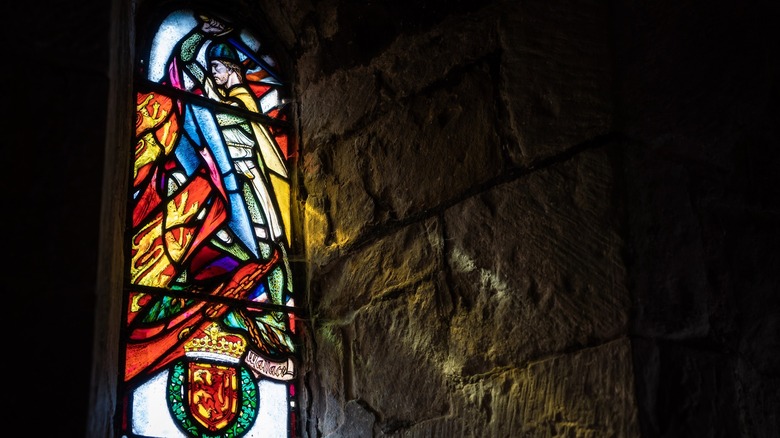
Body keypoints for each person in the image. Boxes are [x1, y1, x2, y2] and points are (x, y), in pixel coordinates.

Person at [126, 13, 296, 384]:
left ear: (234, 70)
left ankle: (276, 328)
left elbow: (253, 148)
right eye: (213, 68)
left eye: (219, 68)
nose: (215, 74)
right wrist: (197, 37)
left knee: (270, 255)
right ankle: (253, 325)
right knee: (238, 252)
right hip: (232, 192)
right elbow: (183, 68)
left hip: (256, 190)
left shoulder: (240, 101)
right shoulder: (214, 98)